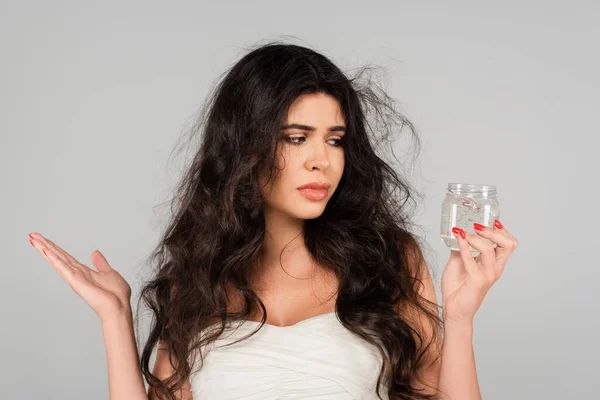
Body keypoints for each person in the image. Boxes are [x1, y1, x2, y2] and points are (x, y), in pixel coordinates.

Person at [28, 40, 518, 400]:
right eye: (295, 137)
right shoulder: (201, 275)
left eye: (334, 139)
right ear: (246, 147)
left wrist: (459, 319)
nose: (320, 161)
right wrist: (114, 318)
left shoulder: (388, 259)